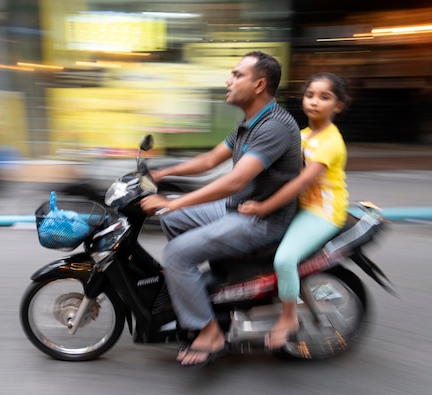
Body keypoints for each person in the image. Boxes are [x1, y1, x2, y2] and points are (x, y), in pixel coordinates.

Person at [140, 51, 301, 367]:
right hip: (237, 207)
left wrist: (174, 200)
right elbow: (209, 161)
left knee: (176, 254)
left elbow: (233, 181)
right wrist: (161, 173)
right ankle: (207, 289)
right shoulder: (248, 123)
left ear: (259, 85)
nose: (228, 81)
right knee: (171, 220)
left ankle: (210, 331)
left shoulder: (275, 126)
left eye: (237, 75)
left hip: (261, 219)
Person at [238, 73, 350, 349]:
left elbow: (301, 181)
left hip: (322, 213)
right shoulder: (302, 135)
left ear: (337, 105)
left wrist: (263, 206)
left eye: (324, 97)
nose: (314, 101)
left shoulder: (331, 143)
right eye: (310, 94)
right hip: (300, 207)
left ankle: (289, 317)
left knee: (284, 259)